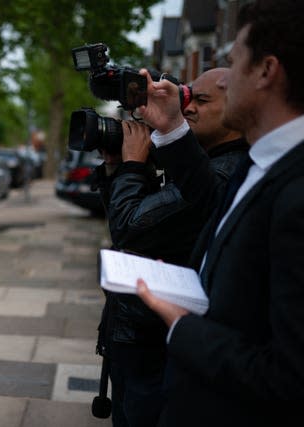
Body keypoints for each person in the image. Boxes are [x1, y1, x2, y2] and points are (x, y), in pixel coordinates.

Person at [135, 1, 304, 425]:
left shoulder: (297, 191)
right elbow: (211, 201)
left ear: (266, 70)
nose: (225, 73)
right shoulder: (261, 160)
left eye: (234, 61)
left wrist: (183, 325)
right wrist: (171, 127)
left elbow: (291, 378)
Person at [92, 68, 248, 427]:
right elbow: (131, 229)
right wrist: (119, 166)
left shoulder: (221, 172)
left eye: (201, 100)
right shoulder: (197, 163)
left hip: (155, 343)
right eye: (187, 97)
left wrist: (131, 166)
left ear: (239, 109)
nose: (187, 107)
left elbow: (130, 227)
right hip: (137, 335)